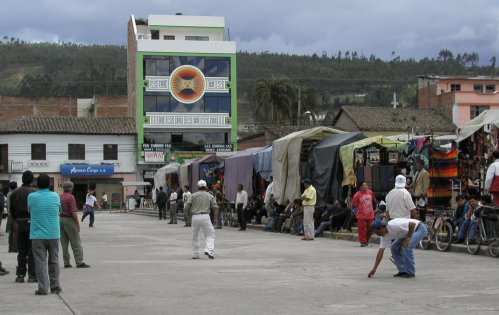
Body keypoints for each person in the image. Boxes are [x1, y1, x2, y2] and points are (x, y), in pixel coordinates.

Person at [28, 174, 62, 295]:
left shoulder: (31, 196)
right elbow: (58, 210)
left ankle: (43, 288)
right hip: (53, 233)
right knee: (54, 260)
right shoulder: (55, 196)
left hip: (37, 234)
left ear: (37, 184)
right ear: (50, 184)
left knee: (40, 262)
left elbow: (30, 210)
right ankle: (55, 286)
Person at [10, 170, 37, 283]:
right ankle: (32, 275)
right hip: (32, 223)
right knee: (32, 250)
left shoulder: (14, 193)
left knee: (21, 250)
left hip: (19, 223)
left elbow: (11, 211)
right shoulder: (34, 192)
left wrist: (17, 220)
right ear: (32, 180)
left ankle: (20, 274)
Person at [183, 180, 218, 259]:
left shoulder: (193, 195)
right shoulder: (210, 195)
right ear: (206, 187)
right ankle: (209, 249)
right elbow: (215, 208)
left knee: (195, 236)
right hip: (205, 216)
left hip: (195, 217)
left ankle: (195, 254)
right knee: (210, 234)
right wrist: (215, 219)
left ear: (197, 186)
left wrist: (187, 218)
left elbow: (186, 208)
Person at [59, 182, 90, 269]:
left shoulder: (60, 197)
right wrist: (77, 223)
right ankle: (79, 262)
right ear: (71, 188)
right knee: (76, 241)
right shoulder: (71, 197)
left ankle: (66, 262)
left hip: (60, 220)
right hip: (69, 220)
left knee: (64, 243)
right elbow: (73, 211)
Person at [352, 181, 376, 246]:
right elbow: (354, 204)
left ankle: (366, 240)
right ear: (360, 187)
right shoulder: (357, 195)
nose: (365, 186)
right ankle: (363, 241)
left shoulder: (370, 192)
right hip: (361, 214)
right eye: (363, 185)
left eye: (366, 185)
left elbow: (373, 201)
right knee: (361, 229)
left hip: (370, 214)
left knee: (371, 228)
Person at [6, 181, 18, 253]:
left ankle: (10, 248)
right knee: (15, 232)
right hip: (15, 214)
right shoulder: (15, 194)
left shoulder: (8, 194)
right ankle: (15, 248)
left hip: (9, 214)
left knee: (11, 231)